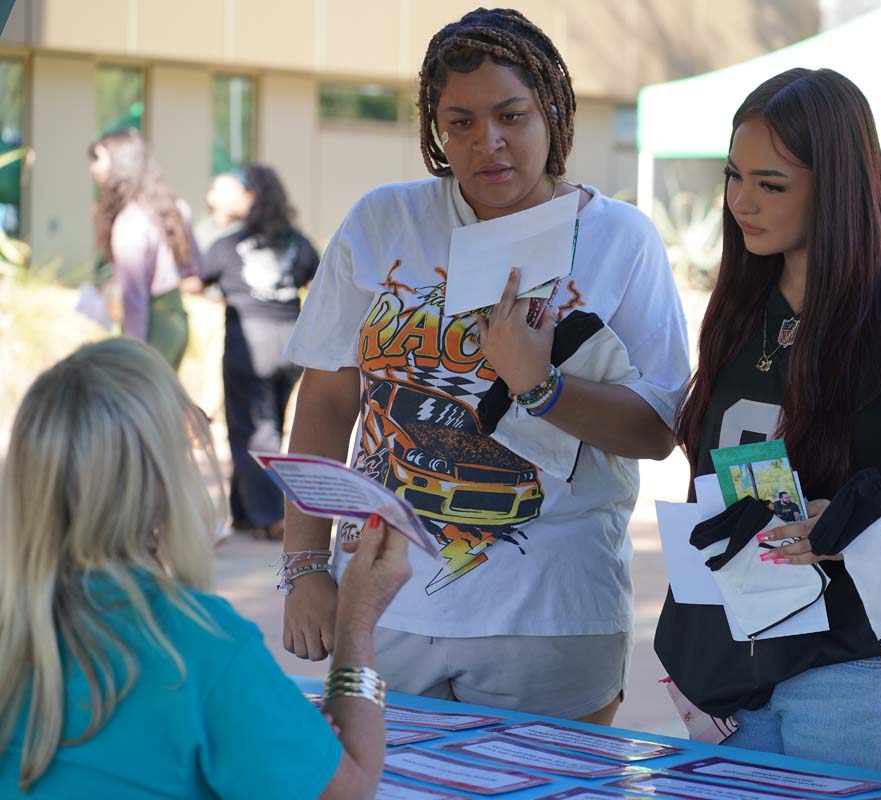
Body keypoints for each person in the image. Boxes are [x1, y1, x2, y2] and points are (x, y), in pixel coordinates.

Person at [280, 7, 689, 726]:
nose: (487, 143)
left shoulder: (619, 239)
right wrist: (306, 566)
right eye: (460, 122)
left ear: (552, 111)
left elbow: (658, 429)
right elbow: (325, 398)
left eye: (511, 115)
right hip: (384, 604)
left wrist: (542, 384)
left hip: (552, 617)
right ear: (434, 129)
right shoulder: (384, 222)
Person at [654, 68, 881, 776]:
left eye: (771, 183)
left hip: (855, 670)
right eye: (733, 176)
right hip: (735, 668)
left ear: (837, 184)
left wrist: (853, 519)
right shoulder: (741, 306)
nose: (740, 203)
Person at [0, 338, 413, 798]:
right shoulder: (198, 645)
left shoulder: (19, 625)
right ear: (161, 482)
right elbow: (347, 793)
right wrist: (357, 618)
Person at [193, 164, 320, 541]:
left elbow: (195, 280)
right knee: (265, 428)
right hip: (291, 343)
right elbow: (320, 282)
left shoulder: (228, 243)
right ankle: (246, 514)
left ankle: (270, 516)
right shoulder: (298, 242)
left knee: (252, 431)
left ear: (252, 197)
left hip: (248, 343)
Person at [89, 129, 199, 370]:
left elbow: (135, 301)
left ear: (120, 162)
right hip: (177, 321)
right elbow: (193, 269)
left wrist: (131, 353)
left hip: (151, 329)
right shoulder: (175, 207)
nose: (93, 168)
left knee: (142, 405)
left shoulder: (131, 221)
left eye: (98, 158)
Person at [194, 171, 252, 254]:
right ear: (211, 197)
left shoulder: (245, 231)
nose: (232, 197)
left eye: (235, 191)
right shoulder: (201, 231)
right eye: (226, 191)